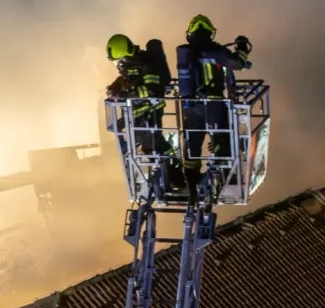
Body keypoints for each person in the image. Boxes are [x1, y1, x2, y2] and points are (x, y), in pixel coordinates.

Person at [176, 14, 252, 187]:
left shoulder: (186, 54)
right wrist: (242, 48)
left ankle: (191, 183)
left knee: (193, 145)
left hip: (191, 107)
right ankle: (222, 178)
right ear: (210, 32)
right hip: (213, 105)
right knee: (222, 140)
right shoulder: (215, 51)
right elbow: (237, 63)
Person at [105, 33, 172, 157]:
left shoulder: (146, 65)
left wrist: (125, 95)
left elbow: (151, 91)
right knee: (149, 147)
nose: (117, 65)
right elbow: (126, 81)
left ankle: (170, 164)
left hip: (151, 112)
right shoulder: (133, 68)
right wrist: (114, 88)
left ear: (123, 58)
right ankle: (167, 164)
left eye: (116, 61)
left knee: (153, 146)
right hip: (140, 113)